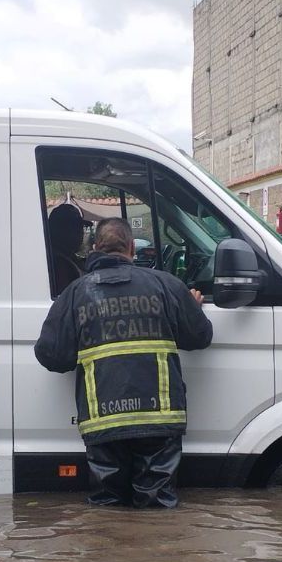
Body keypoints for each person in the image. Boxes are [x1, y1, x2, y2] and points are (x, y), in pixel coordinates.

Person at [34, 217, 212, 508]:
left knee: (106, 511)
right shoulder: (167, 286)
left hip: (104, 420)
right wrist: (191, 307)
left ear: (95, 248)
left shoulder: (75, 294)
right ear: (132, 247)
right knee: (157, 511)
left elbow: (50, 355)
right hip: (159, 419)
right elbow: (200, 337)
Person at [47, 202, 87, 295]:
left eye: (81, 228)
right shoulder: (59, 263)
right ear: (60, 230)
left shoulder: (68, 256)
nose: (81, 233)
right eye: (77, 228)